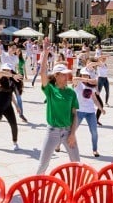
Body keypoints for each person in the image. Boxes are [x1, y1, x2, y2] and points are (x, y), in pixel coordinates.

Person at [35, 40, 80, 174]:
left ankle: (79, 190)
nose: (67, 76)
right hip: (52, 132)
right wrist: (45, 52)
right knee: (43, 164)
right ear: (56, 76)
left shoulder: (71, 92)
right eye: (64, 74)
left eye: (67, 74)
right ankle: (36, 190)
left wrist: (73, 134)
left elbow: (74, 115)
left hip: (67, 132)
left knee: (77, 163)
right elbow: (42, 74)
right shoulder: (50, 90)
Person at [75, 61, 103, 157]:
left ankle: (95, 150)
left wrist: (100, 108)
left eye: (87, 76)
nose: (86, 77)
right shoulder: (78, 84)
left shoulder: (92, 86)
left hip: (90, 112)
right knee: (72, 130)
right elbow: (74, 79)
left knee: (94, 132)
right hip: (79, 111)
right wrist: (85, 79)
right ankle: (59, 144)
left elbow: (94, 99)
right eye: (84, 75)